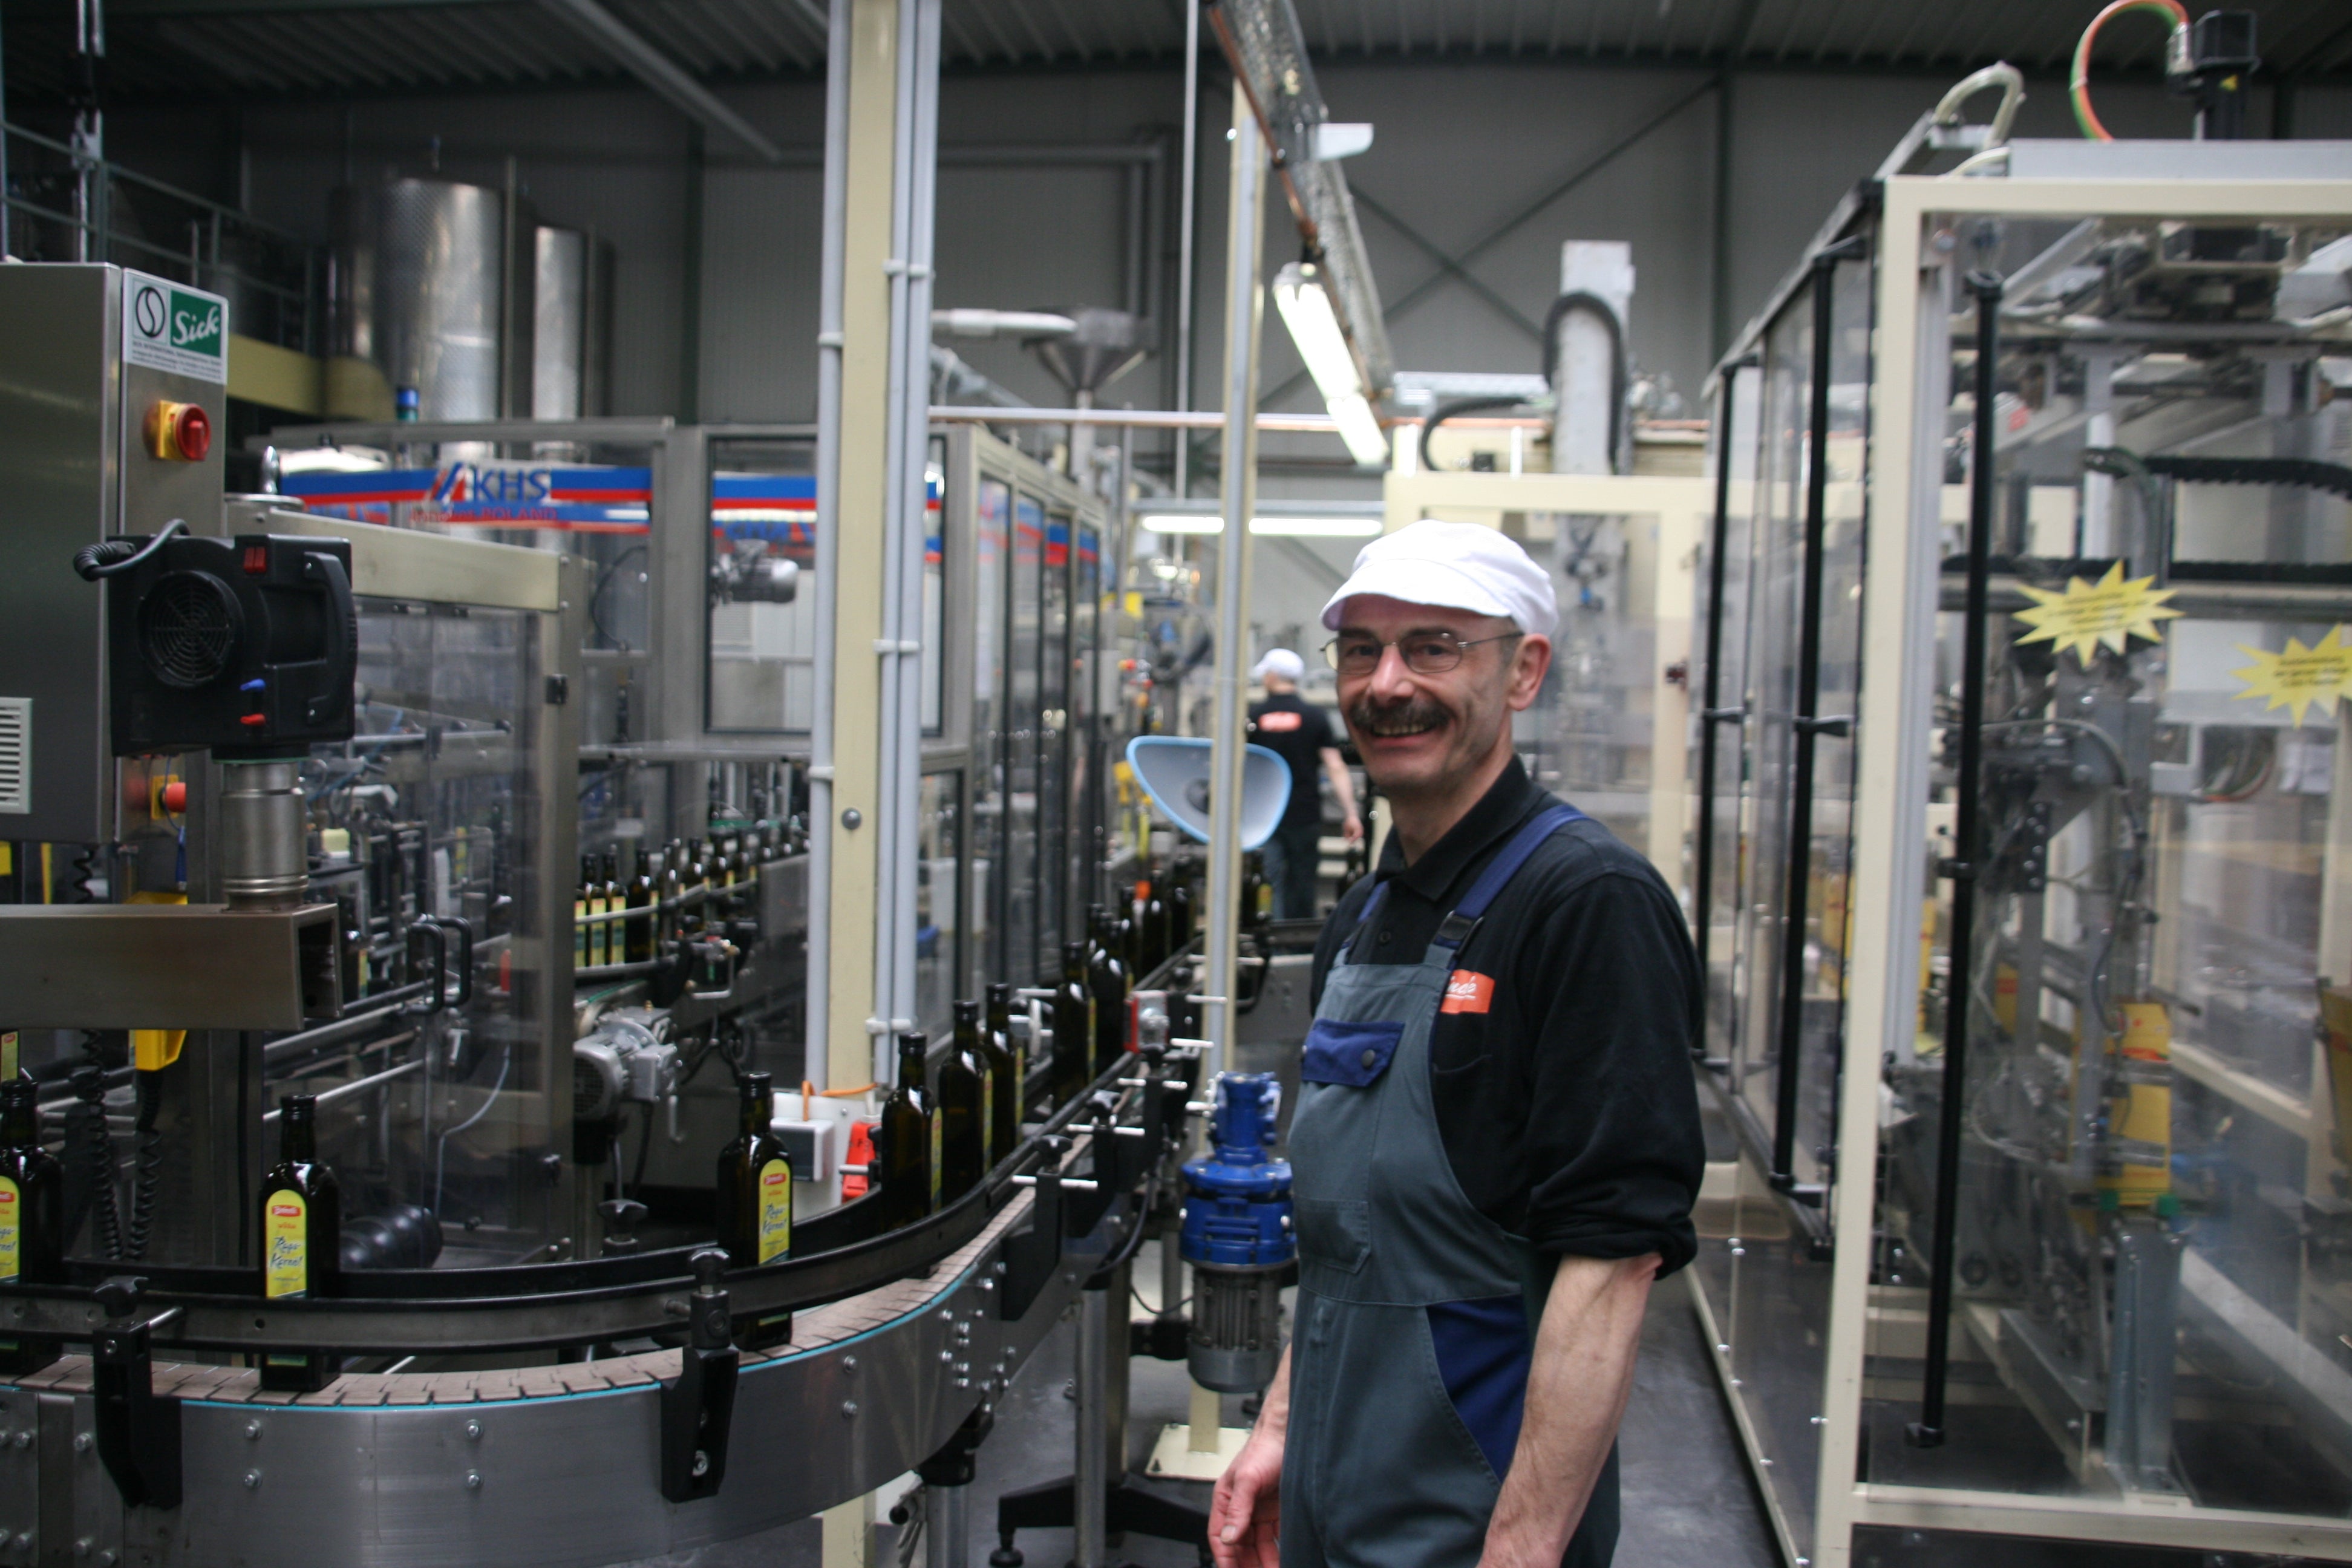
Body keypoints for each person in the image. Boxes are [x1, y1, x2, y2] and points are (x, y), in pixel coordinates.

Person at [1209, 520, 1703, 1568]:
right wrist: (1282, 1433)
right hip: (1332, 1507)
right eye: (1361, 650)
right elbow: (1352, 1245)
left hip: (1470, 1527)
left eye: (1433, 645)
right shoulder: (1369, 910)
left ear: (1523, 669)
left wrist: (1519, 1553)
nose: (1387, 683)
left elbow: (1612, 1265)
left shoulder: (1585, 905)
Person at [1247, 648, 1362, 920]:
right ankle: (1298, 943)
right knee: (1303, 879)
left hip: (1265, 816)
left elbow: (1243, 768)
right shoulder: (1314, 716)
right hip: (1305, 812)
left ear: (1273, 676)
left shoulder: (1256, 716)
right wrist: (1351, 813)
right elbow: (1335, 765)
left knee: (1269, 880)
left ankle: (1270, 940)